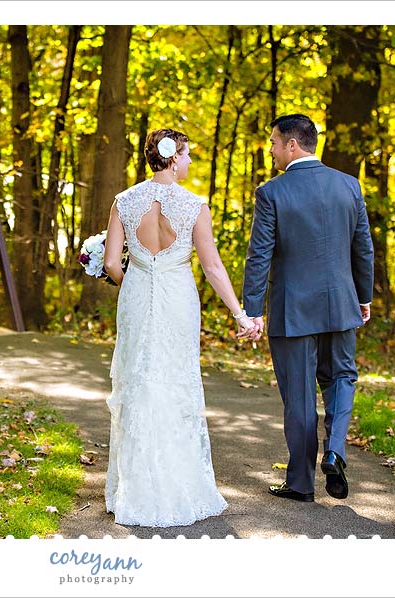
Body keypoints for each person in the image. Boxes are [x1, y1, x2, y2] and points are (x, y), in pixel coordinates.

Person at [102, 128, 251, 527]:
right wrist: (239, 314)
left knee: (137, 380)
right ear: (171, 157)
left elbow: (113, 263)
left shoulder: (125, 201)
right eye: (186, 155)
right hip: (178, 300)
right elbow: (213, 267)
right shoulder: (193, 205)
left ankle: (132, 487)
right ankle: (175, 481)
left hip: (136, 298)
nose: (188, 161)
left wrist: (133, 281)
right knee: (175, 381)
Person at [239, 114, 374, 502]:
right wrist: (362, 297)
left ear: (292, 145)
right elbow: (362, 248)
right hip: (341, 306)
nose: (272, 150)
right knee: (342, 378)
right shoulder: (349, 186)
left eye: (274, 143)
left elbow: (259, 255)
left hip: (292, 311)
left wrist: (253, 309)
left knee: (299, 396)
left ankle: (300, 483)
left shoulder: (272, 193)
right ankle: (334, 450)